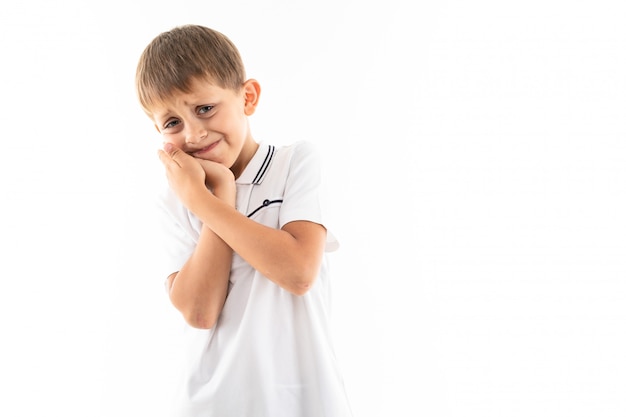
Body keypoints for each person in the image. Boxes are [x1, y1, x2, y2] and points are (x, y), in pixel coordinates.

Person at [135, 24, 353, 417]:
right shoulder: (174, 202)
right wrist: (215, 193)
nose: (195, 133)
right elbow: (199, 312)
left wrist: (206, 202)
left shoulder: (295, 164)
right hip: (211, 406)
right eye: (172, 123)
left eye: (204, 108)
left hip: (305, 401)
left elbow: (298, 271)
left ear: (247, 97)